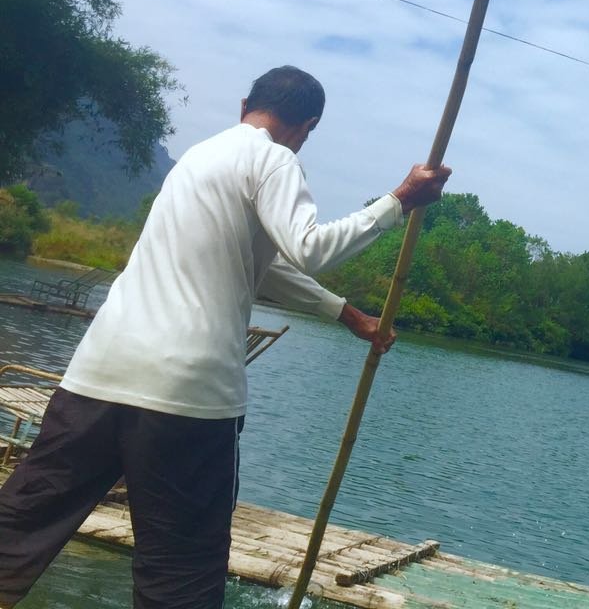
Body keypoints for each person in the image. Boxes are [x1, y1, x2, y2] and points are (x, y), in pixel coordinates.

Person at [0, 65, 450, 608]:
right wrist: (400, 200)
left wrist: (347, 315)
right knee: (181, 570)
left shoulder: (197, 159)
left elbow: (263, 265)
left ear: (245, 105)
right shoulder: (274, 158)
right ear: (306, 126)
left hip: (97, 376)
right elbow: (309, 249)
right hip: (186, 395)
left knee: (18, 528)